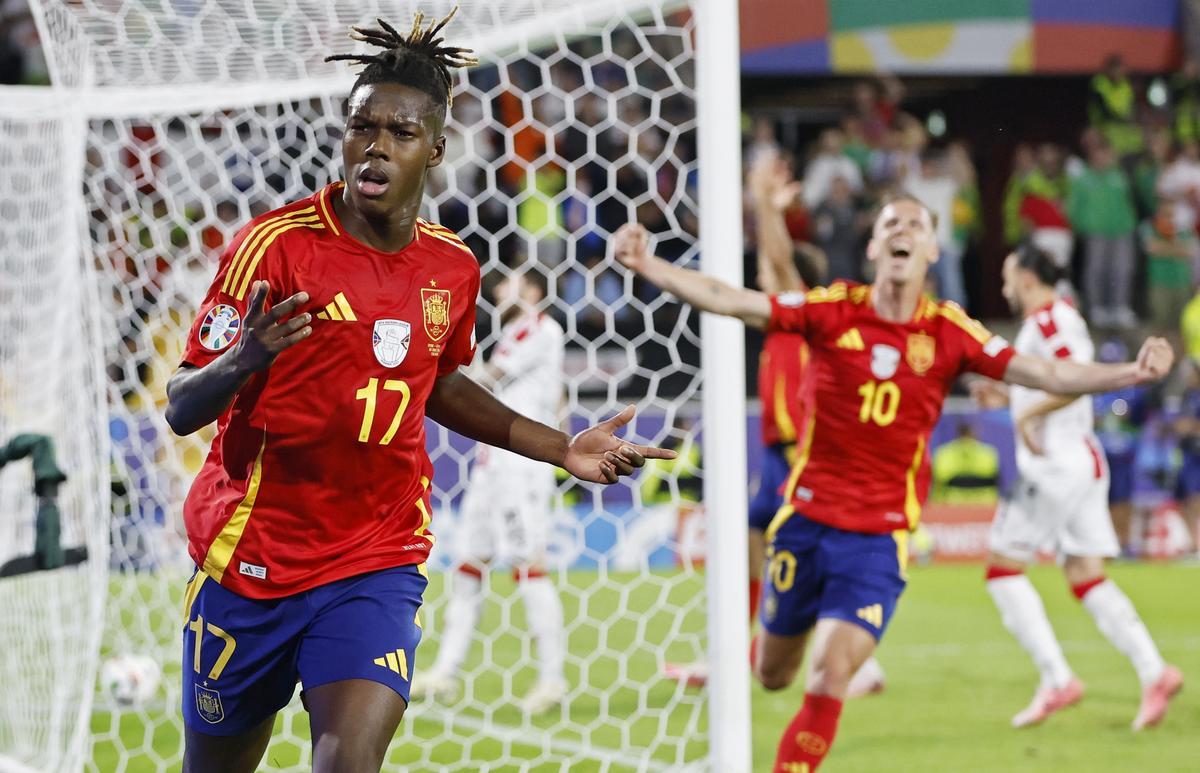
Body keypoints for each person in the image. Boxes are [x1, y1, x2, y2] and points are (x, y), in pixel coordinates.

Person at [164, 13, 671, 773]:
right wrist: (242, 358)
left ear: (435, 147)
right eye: (361, 125)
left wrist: (560, 447)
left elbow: (437, 383)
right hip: (252, 560)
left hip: (375, 556)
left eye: (400, 132)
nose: (375, 145)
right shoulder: (276, 247)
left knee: (346, 761)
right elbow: (180, 404)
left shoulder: (452, 269)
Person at [613, 194, 1175, 772]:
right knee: (773, 674)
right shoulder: (834, 311)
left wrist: (1131, 372)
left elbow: (1050, 372)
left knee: (831, 674)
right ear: (875, 247)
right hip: (805, 526)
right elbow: (732, 301)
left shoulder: (950, 331)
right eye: (891, 224)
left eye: (917, 224)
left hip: (878, 539)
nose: (903, 230)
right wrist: (651, 266)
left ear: (931, 249)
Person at [970, 243, 1183, 731]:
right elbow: (1050, 385)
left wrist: (1027, 413)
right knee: (1085, 574)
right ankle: (1154, 672)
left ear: (1026, 277)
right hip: (1078, 461)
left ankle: (1055, 679)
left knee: (1002, 569)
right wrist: (1008, 396)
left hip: (1056, 465)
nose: (1003, 286)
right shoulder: (1047, 323)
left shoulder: (1051, 322)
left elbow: (1075, 381)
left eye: (1007, 275)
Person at [411, 269, 570, 715]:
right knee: (468, 566)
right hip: (489, 465)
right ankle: (445, 672)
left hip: (521, 466)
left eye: (511, 282)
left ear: (535, 291)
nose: (499, 290)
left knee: (528, 566)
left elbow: (487, 381)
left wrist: (431, 355)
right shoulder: (514, 332)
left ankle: (552, 679)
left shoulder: (541, 328)